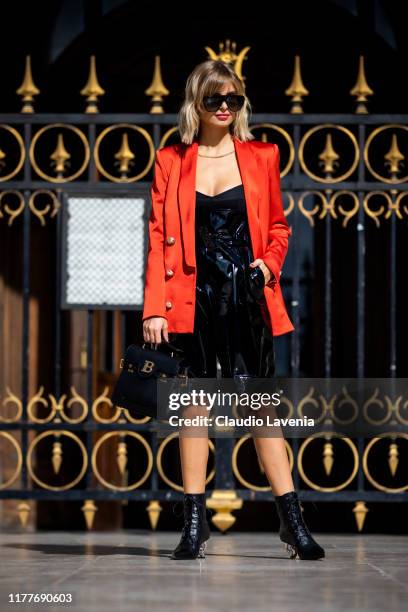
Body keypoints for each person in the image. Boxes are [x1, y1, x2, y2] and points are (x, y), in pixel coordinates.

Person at [142, 60, 325, 561]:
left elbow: (279, 228)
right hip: (193, 302)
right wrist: (154, 308)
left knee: (263, 409)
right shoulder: (171, 159)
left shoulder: (263, 155)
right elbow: (159, 240)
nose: (225, 108)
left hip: (247, 299)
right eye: (214, 100)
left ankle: (293, 522)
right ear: (195, 103)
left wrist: (267, 266)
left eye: (234, 100)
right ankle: (194, 525)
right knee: (194, 409)